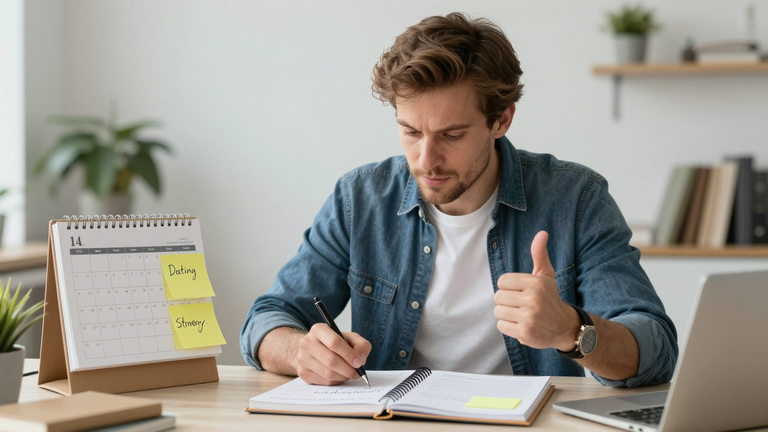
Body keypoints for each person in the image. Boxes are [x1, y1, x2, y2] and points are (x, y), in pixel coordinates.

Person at [240, 12, 678, 388]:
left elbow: (655, 348)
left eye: (451, 135)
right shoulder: (361, 198)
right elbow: (267, 318)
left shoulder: (575, 199)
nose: (426, 159)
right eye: (411, 132)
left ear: (501, 119)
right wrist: (301, 351)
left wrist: (571, 330)